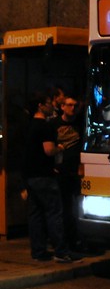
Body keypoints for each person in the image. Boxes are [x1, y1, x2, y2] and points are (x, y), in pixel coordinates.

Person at [22, 91, 80, 263]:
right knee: (54, 213)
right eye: (48, 103)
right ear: (41, 106)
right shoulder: (45, 126)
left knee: (35, 214)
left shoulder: (30, 125)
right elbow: (48, 150)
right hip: (44, 176)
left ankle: (38, 251)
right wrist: (60, 148)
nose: (52, 106)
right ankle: (61, 251)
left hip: (30, 176)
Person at [52, 92, 89, 253]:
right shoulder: (54, 125)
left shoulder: (80, 125)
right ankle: (62, 240)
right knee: (62, 208)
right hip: (61, 171)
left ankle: (75, 240)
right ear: (62, 107)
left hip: (76, 171)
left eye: (74, 105)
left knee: (75, 209)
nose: (72, 108)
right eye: (69, 105)